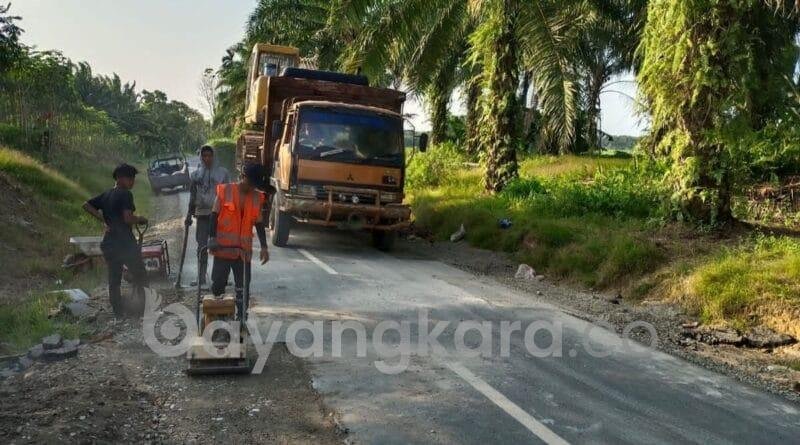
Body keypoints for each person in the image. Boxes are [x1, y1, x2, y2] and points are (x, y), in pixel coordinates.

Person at [83, 164, 149, 317]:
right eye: (131, 178)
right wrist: (139, 219)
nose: (132, 182)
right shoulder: (125, 194)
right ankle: (144, 309)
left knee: (114, 279)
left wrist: (104, 220)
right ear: (121, 179)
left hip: (109, 244)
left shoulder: (106, 194)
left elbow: (86, 205)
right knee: (140, 275)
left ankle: (118, 312)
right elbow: (127, 218)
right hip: (125, 243)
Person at [207, 163, 270, 318]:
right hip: (222, 249)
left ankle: (241, 318)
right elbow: (214, 215)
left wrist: (264, 246)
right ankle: (218, 317)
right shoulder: (226, 191)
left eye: (255, 185)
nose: (251, 188)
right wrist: (212, 238)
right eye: (250, 183)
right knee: (218, 286)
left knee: (243, 288)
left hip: (243, 252)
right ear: (243, 177)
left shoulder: (256, 197)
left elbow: (259, 223)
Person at [186, 145, 230, 289]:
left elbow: (228, 195)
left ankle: (222, 277)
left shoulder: (223, 174)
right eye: (204, 156)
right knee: (202, 246)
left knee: (221, 246)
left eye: (209, 155)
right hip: (202, 214)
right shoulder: (196, 175)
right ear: (201, 157)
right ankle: (201, 277)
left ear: (214, 156)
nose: (207, 158)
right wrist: (188, 214)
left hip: (219, 215)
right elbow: (192, 195)